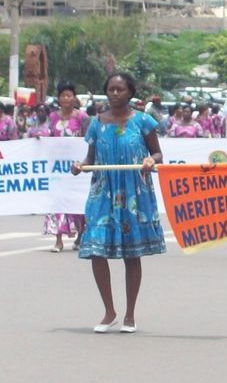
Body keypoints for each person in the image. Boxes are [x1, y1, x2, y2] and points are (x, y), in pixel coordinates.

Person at [71, 71, 166, 333]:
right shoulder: (96, 123)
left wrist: (151, 160)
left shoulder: (143, 121)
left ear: (130, 92)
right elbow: (90, 158)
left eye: (120, 89)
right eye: (111, 89)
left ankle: (130, 314)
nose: (115, 94)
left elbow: (157, 153)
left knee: (131, 253)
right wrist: (80, 165)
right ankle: (109, 311)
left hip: (134, 193)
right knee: (97, 250)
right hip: (103, 193)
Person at [44, 80, 89, 252]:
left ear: (74, 98)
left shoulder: (82, 117)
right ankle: (58, 239)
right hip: (57, 167)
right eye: (63, 95)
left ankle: (80, 234)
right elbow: (49, 135)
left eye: (69, 95)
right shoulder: (53, 117)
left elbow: (88, 139)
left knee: (77, 201)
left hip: (77, 167)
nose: (66, 98)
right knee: (57, 201)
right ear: (59, 98)